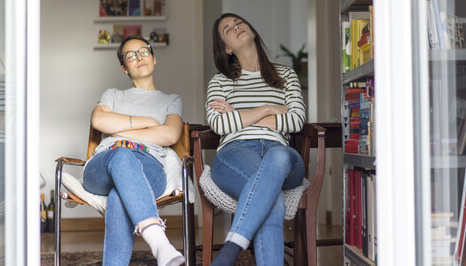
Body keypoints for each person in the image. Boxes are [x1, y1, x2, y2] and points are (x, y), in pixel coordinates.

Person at [206, 13, 306, 266]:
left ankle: (230, 249)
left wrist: (240, 116)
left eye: (238, 23)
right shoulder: (220, 81)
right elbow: (219, 124)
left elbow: (296, 120)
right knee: (269, 197)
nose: (236, 27)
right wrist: (267, 109)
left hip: (280, 155)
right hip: (235, 152)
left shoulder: (287, 75)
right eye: (228, 29)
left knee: (279, 155)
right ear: (227, 48)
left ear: (251, 29)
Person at [83, 35, 185, 266]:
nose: (138, 57)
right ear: (124, 68)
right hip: (104, 164)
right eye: (130, 56)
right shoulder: (113, 94)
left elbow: (170, 135)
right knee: (121, 155)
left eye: (143, 51)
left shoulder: (171, 100)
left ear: (154, 58)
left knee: (120, 194)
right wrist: (148, 122)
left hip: (148, 167)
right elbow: (98, 120)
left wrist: (119, 131)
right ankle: (158, 241)